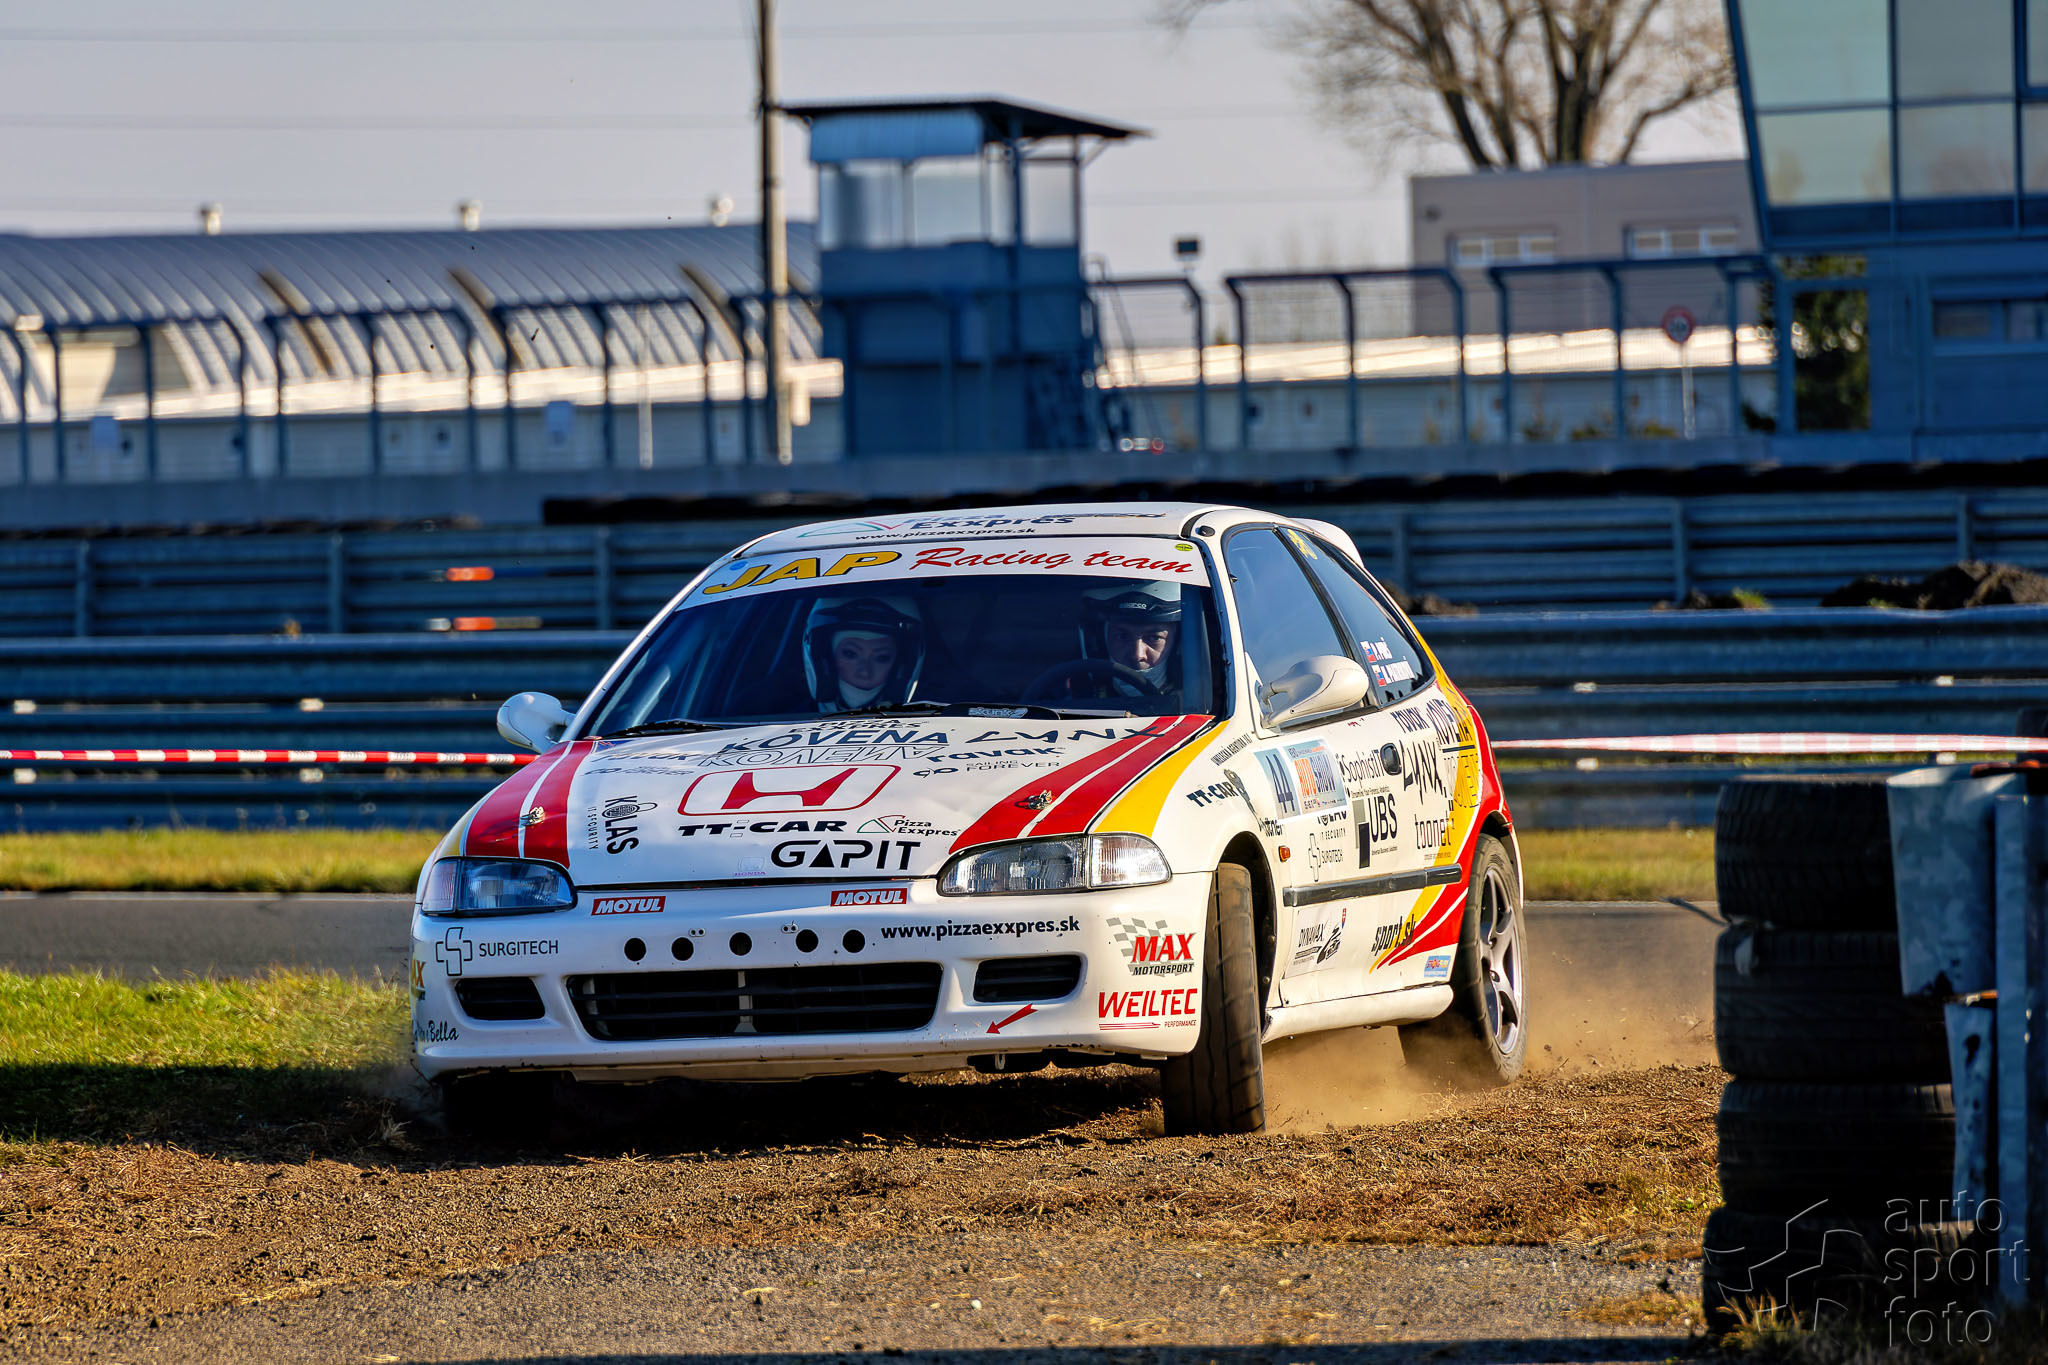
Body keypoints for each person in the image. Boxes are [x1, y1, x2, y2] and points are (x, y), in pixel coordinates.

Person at [803, 596, 925, 713]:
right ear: (825, 658)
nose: (865, 673)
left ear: (901, 665)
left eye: (881, 658)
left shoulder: (932, 718)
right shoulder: (793, 721)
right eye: (850, 654)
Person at [1077, 580, 1183, 706]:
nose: (1137, 655)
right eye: (1122, 636)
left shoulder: (1201, 705)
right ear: (1100, 643)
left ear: (1178, 644)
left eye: (1154, 638)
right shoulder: (1064, 705)